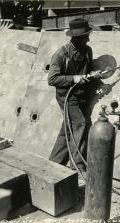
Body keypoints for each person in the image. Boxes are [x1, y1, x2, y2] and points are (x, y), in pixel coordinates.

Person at [47, 18, 104, 177]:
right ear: (77, 37)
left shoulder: (88, 50)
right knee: (80, 123)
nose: (88, 38)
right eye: (86, 36)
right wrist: (74, 78)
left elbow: (88, 71)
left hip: (82, 96)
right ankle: (77, 167)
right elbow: (52, 79)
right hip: (67, 96)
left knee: (68, 130)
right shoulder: (61, 54)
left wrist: (95, 76)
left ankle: (53, 162)